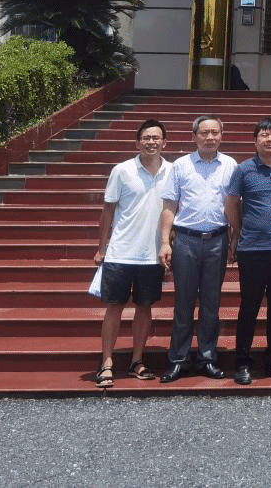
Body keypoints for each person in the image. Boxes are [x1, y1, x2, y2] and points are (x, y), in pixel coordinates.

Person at [158, 114, 237, 383]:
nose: (210, 137)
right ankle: (178, 359)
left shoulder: (230, 165)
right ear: (194, 136)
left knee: (211, 303)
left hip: (217, 239)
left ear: (221, 136)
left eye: (215, 132)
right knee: (183, 302)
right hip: (186, 240)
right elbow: (169, 205)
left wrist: (234, 237)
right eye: (204, 133)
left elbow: (234, 205)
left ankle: (207, 357)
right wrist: (165, 241)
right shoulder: (181, 165)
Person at [224, 117, 271, 385]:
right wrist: (240, 231)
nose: (270, 140)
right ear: (255, 140)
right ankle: (242, 362)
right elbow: (231, 204)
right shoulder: (244, 169)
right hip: (252, 249)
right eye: (264, 135)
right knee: (249, 307)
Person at [93, 118, 170, 388]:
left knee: (144, 307)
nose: (151, 142)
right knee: (114, 307)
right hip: (121, 252)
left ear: (164, 143)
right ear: (138, 143)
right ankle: (106, 362)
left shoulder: (173, 171)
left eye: (156, 137)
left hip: (152, 254)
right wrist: (102, 247)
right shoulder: (122, 170)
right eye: (146, 138)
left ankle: (137, 360)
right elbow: (108, 210)